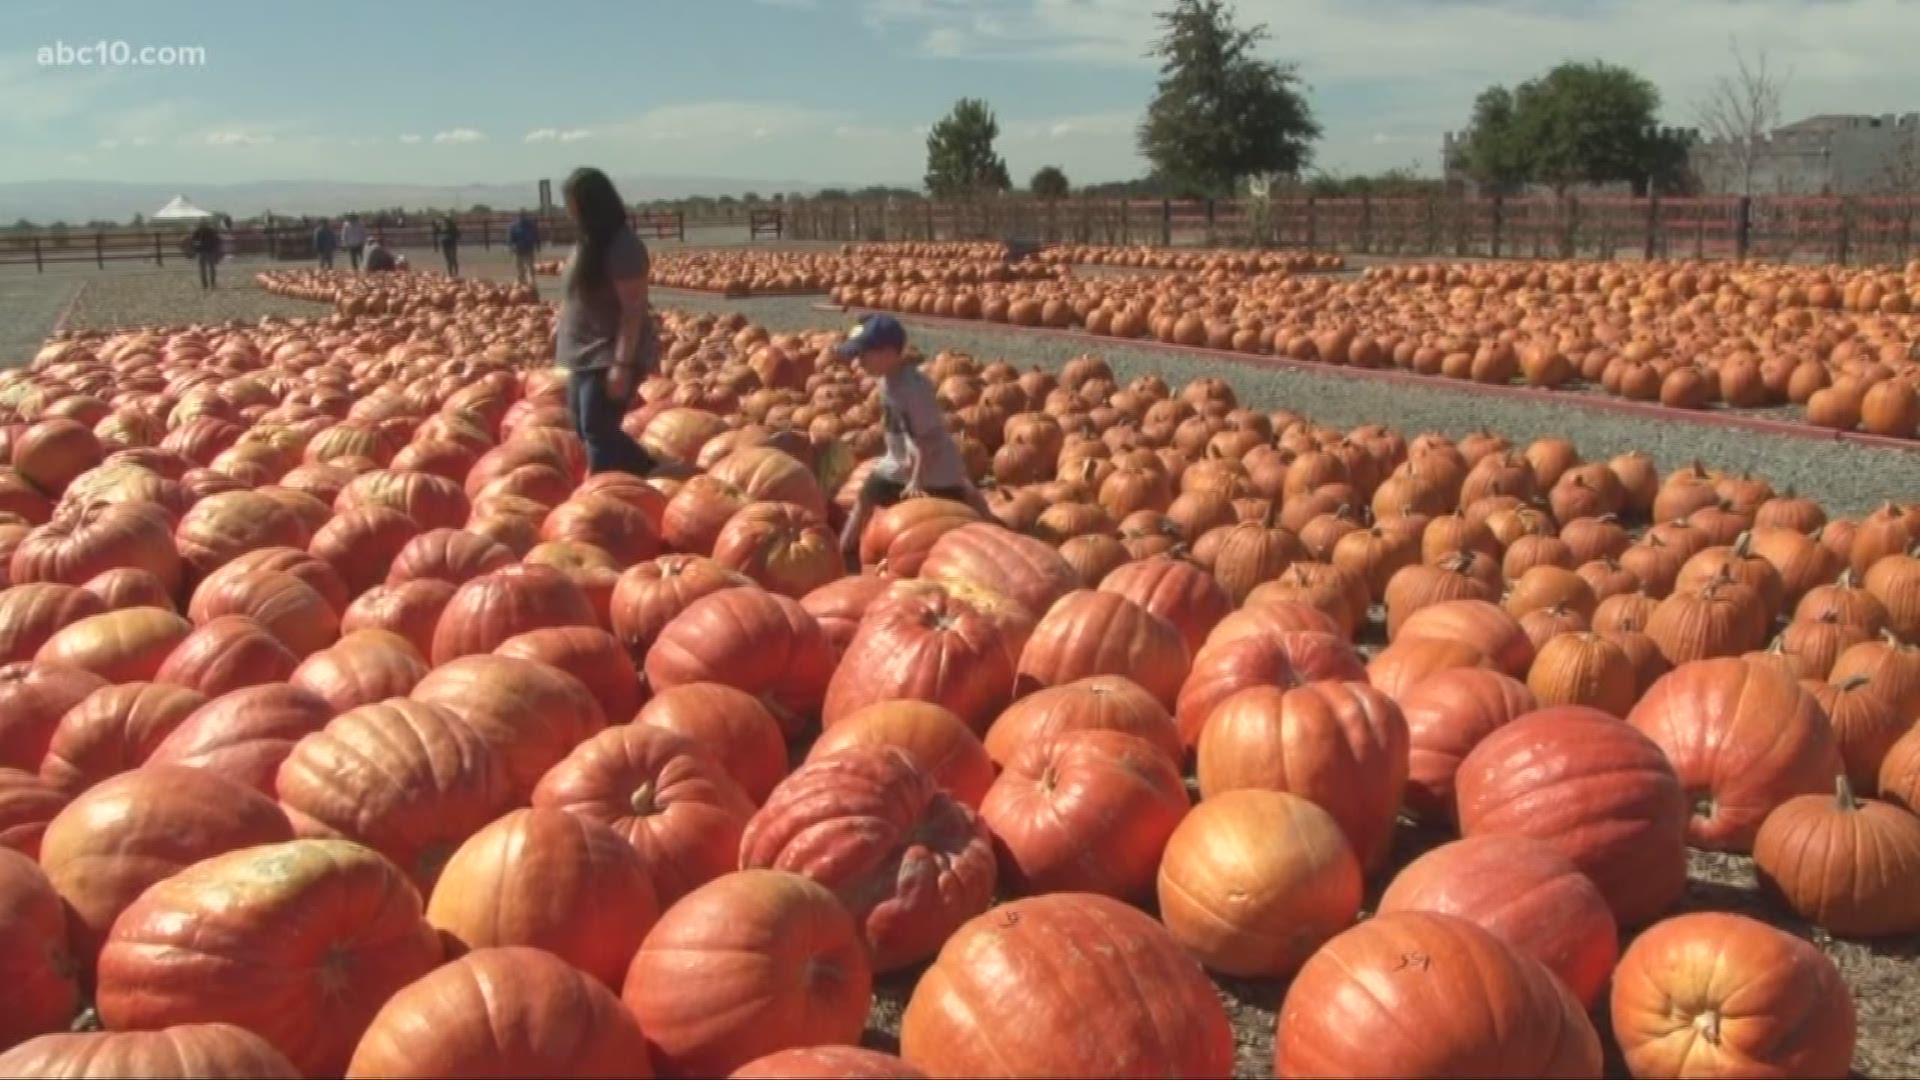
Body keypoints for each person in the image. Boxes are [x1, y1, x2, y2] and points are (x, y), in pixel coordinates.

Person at [834, 313, 992, 570]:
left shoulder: (914, 389)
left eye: (862, 354)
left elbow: (927, 438)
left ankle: (990, 539)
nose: (857, 361)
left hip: (931, 465)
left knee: (954, 516)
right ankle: (842, 554)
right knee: (866, 495)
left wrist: (916, 478)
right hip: (899, 460)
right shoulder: (888, 379)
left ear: (887, 353)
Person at [555, 166, 656, 478]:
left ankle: (607, 488)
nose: (568, 210)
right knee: (585, 428)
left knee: (597, 429)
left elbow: (633, 309)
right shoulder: (589, 241)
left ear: (590, 204)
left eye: (572, 202)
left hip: (609, 352)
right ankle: (645, 469)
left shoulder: (623, 246)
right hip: (584, 351)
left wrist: (621, 365)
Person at [507, 211, 540, 288]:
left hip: (528, 248)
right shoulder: (514, 226)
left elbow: (536, 235)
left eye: (523, 216)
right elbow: (510, 238)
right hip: (518, 249)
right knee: (520, 268)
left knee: (530, 267)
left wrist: (538, 245)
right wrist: (511, 247)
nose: (522, 218)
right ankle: (522, 283)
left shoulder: (531, 225)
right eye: (521, 216)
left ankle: (531, 283)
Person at [188, 218, 222, 289]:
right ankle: (212, 284)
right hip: (210, 251)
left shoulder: (198, 231)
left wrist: (196, 248)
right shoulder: (211, 231)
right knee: (211, 269)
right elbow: (218, 240)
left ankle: (205, 285)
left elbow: (193, 241)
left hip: (202, 252)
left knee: (203, 269)